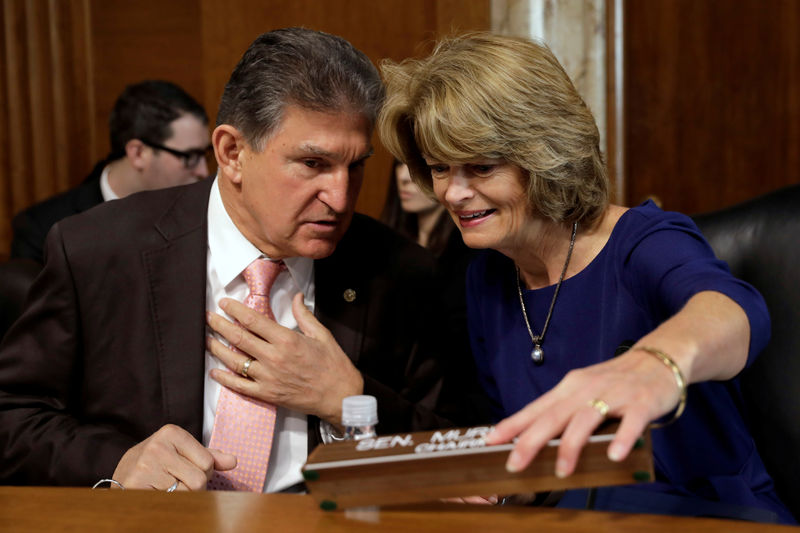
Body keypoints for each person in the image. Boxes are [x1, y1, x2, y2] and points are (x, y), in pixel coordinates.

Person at [0, 28, 464, 492]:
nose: (341, 198)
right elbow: (13, 417)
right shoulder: (98, 251)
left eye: (356, 165)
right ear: (232, 153)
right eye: (313, 164)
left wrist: (349, 399)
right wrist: (118, 461)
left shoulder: (401, 272)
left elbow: (457, 447)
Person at [378, 32, 794, 523]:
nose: (452, 193)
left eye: (482, 167)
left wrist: (658, 364)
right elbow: (540, 460)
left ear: (543, 155)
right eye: (440, 168)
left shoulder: (642, 239)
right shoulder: (486, 278)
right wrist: (504, 485)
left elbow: (734, 311)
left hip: (706, 515)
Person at [10, 80, 211, 263]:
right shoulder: (42, 230)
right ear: (138, 153)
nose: (204, 171)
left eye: (206, 155)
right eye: (190, 157)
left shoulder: (204, 215)